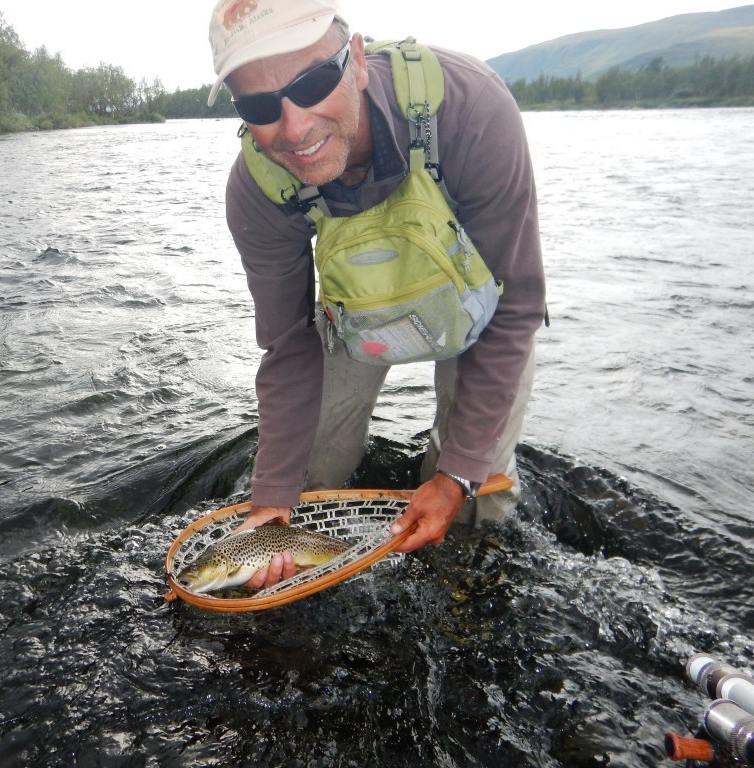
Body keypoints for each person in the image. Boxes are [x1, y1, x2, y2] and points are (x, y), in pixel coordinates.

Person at [207, 0, 546, 588]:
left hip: (481, 309)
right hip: (353, 312)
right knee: (303, 480)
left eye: (312, 82)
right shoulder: (257, 188)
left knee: (477, 499)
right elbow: (288, 345)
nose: (293, 128)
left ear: (357, 59)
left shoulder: (472, 110)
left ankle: (465, 588)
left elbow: (516, 303)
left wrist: (456, 475)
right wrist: (271, 504)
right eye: (259, 105)